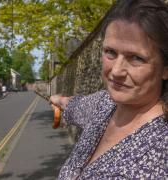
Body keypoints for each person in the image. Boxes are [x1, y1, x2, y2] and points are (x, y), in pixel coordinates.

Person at [50, 0, 168, 179]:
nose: (116, 71)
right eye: (111, 52)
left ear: (165, 69)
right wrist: (57, 99)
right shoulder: (104, 104)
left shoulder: (161, 149)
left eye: (136, 58)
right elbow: (74, 105)